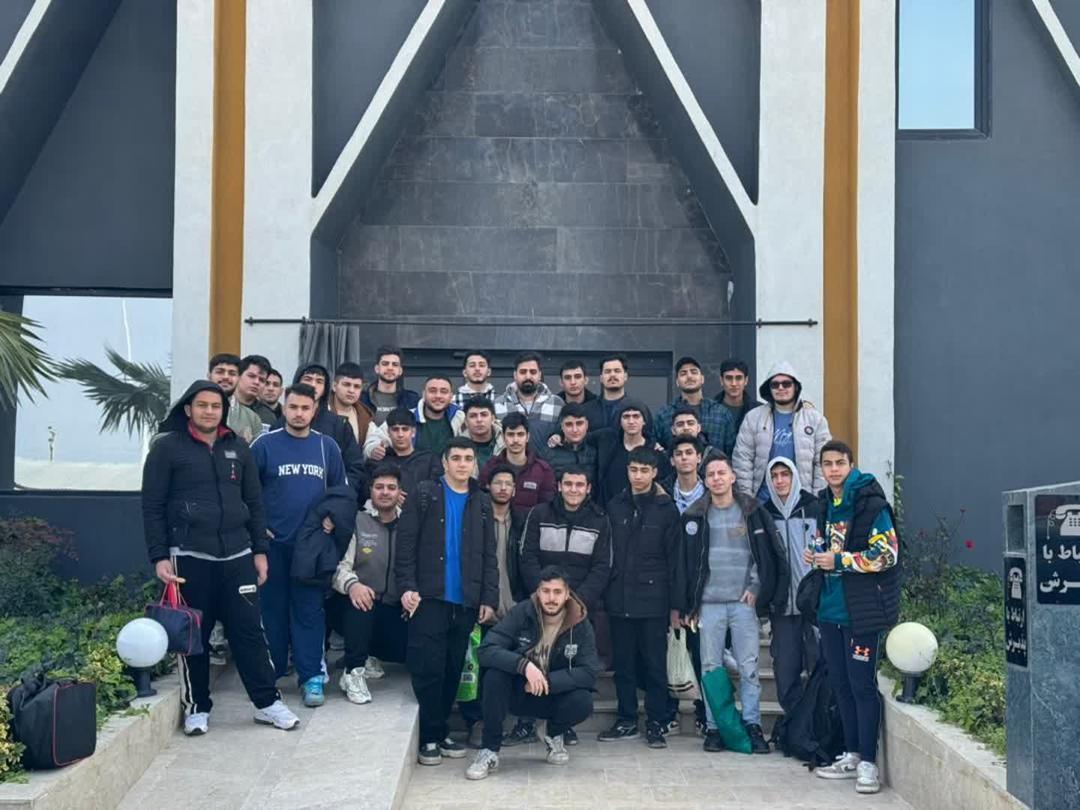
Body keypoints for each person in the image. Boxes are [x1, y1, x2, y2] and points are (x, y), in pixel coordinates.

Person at [141, 381, 299, 734]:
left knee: (250, 632)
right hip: (188, 556)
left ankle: (267, 703)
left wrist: (260, 551)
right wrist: (159, 556)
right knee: (194, 636)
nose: (209, 411)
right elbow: (151, 506)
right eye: (202, 405)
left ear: (223, 411)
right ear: (188, 409)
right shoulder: (167, 448)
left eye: (216, 406)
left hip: (238, 554)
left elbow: (254, 502)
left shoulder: (238, 447)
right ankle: (197, 707)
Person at [395, 437, 498, 766]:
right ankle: (429, 736)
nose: (462, 464)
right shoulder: (425, 494)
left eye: (468, 458)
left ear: (474, 463)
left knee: (454, 668)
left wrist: (489, 597)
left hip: (465, 600)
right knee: (430, 669)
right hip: (429, 598)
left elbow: (489, 555)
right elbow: (405, 545)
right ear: (444, 462)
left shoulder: (481, 501)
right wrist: (407, 586)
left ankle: (440, 733)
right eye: (456, 458)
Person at [806, 441, 900, 795]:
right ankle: (852, 753)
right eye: (827, 464)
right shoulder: (825, 504)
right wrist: (816, 554)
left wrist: (840, 561)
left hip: (861, 612)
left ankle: (869, 764)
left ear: (851, 465)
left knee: (862, 685)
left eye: (839, 463)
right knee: (841, 685)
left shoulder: (871, 504)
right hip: (829, 609)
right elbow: (829, 546)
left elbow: (887, 554)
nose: (833, 469)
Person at [680, 453, 788, 755]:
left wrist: (756, 586)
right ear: (705, 481)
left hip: (743, 604)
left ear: (732, 477)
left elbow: (764, 554)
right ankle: (714, 728)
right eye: (711, 474)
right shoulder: (694, 514)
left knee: (749, 667)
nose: (716, 478)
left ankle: (752, 725)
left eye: (721, 473)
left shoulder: (752, 511)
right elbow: (686, 564)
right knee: (710, 668)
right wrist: (689, 603)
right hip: (708, 604)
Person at [250, 383, 348, 708]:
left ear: (315, 411)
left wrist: (332, 518)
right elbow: (247, 493)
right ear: (284, 407)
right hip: (272, 546)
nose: (299, 413)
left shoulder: (326, 447)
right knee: (272, 611)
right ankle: (271, 674)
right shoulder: (264, 445)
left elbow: (341, 492)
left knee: (309, 612)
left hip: (311, 548)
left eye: (305, 408)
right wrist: (257, 529)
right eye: (293, 407)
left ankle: (311, 677)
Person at [465, 566, 599, 780]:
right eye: (545, 591)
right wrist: (524, 666)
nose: (551, 598)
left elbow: (589, 672)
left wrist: (547, 681)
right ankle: (489, 750)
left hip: (552, 692)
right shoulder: (522, 612)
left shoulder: (580, 623)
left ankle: (552, 733)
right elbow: (486, 650)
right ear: (538, 592)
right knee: (494, 676)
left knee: (583, 701)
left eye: (557, 592)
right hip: (519, 689)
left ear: (567, 594)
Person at [510, 465, 611, 747]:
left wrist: (575, 603)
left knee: (568, 665)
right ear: (559, 486)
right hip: (539, 607)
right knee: (532, 659)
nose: (573, 490)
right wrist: (545, 596)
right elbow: (527, 557)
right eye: (568, 484)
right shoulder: (539, 514)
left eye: (579, 485)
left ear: (588, 488)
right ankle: (525, 723)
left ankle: (562, 724)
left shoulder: (600, 520)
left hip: (577, 610)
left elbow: (602, 567)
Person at [598, 447, 682, 749]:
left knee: (654, 665)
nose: (638, 476)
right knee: (624, 665)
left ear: (655, 472)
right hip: (619, 598)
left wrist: (676, 605)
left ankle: (656, 722)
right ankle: (626, 719)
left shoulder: (667, 509)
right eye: (633, 470)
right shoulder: (615, 506)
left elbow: (675, 560)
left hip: (654, 600)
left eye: (644, 470)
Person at [459, 463, 525, 744]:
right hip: (481, 606)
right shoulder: (474, 519)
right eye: (498, 482)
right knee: (476, 668)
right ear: (487, 486)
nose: (503, 488)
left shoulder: (522, 523)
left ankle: (514, 722)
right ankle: (475, 721)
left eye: (508, 484)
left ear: (515, 489)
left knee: (505, 669)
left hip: (513, 608)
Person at [332, 464, 409, 704]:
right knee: (362, 603)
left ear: (400, 492)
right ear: (370, 490)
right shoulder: (357, 521)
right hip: (356, 607)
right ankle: (353, 671)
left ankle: (370, 655)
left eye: (391, 488)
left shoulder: (409, 524)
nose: (385, 492)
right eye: (379, 487)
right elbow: (339, 567)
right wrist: (352, 585)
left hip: (395, 608)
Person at [762, 457, 819, 715]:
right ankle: (795, 724)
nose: (780, 480)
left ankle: (819, 723)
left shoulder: (814, 507)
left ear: (795, 476)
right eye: (774, 476)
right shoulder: (764, 514)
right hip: (782, 607)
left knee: (819, 665)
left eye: (785, 474)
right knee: (786, 670)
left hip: (814, 605)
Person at [733, 361, 832, 502]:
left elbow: (822, 462)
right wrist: (747, 501)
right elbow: (742, 460)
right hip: (763, 502)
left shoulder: (815, 419)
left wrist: (816, 499)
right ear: (769, 388)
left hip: (802, 501)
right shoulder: (753, 418)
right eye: (775, 384)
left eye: (786, 384)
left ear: (795, 387)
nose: (780, 388)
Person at [289, 363, 368, 498]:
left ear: (326, 387)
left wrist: (339, 499)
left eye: (319, 381)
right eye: (308, 379)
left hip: (329, 502)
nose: (313, 385)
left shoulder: (339, 425)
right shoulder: (280, 425)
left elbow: (354, 469)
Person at [654, 356, 736, 456]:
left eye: (694, 372)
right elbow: (657, 452)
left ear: (702, 379)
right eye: (683, 373)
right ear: (677, 382)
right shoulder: (664, 415)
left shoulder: (721, 413)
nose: (689, 376)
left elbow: (732, 453)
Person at [478, 412, 556, 510]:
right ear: (503, 437)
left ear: (527, 437)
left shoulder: (543, 470)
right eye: (511, 434)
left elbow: (546, 508)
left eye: (520, 434)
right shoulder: (491, 466)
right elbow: (482, 501)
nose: (515, 440)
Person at [366, 408, 443, 501]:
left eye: (405, 429)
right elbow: (364, 492)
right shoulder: (378, 461)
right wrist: (389, 496)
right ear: (388, 432)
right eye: (395, 429)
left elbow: (437, 491)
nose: (400, 434)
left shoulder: (429, 460)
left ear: (413, 432)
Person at [494, 352, 564, 451]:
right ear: (515, 375)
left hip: (546, 461)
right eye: (523, 372)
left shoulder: (557, 403)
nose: (528, 376)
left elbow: (564, 434)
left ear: (540, 375)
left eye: (533, 372)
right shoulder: (498, 404)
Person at [208, 353, 262, 444]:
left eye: (232, 373)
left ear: (239, 378)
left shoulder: (252, 418)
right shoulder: (192, 409)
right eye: (220, 372)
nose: (226, 377)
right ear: (209, 376)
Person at [361, 345, 420, 426]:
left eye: (395, 364)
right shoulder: (362, 400)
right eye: (385, 364)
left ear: (400, 371)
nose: (390, 368)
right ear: (377, 369)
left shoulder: (411, 401)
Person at [408, 375, 465, 458]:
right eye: (432, 391)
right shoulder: (408, 417)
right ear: (424, 394)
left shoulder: (460, 417)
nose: (438, 396)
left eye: (444, 392)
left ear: (451, 396)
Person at [538, 403, 598, 482]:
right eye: (569, 424)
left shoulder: (595, 453)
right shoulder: (547, 455)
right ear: (562, 426)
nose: (575, 430)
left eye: (579, 423)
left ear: (587, 425)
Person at [329, 362, 376, 448]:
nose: (351, 390)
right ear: (334, 386)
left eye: (357, 386)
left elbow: (372, 442)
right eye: (346, 385)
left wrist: (373, 450)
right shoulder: (321, 411)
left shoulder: (365, 416)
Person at [714, 358, 762, 435]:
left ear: (746, 380)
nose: (734, 383)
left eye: (739, 378)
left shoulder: (759, 410)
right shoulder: (710, 409)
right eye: (729, 378)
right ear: (721, 380)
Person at [455, 397, 504, 470]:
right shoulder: (456, 447)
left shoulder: (507, 442)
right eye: (473, 416)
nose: (479, 420)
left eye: (484, 415)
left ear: (493, 419)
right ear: (466, 421)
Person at [556, 359, 603, 429]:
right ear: (561, 382)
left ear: (586, 380)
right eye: (567, 378)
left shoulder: (598, 405)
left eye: (577, 377)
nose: (573, 382)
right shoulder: (554, 405)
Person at [237, 354, 277, 433]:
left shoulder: (267, 415)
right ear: (238, 375)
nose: (256, 382)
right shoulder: (221, 406)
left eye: (262, 380)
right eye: (251, 376)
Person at [596, 354, 630, 429]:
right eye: (607, 371)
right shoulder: (587, 410)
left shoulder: (637, 410)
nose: (612, 375)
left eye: (617, 371)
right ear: (601, 378)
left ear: (625, 376)